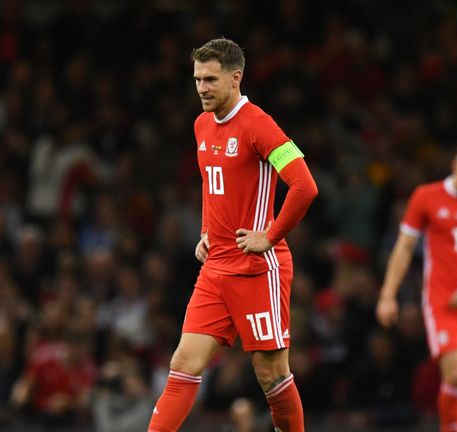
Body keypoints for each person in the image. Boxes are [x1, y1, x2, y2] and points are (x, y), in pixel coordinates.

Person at [148, 37, 318, 432]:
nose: (202, 88)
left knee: (270, 373)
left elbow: (304, 186)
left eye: (210, 79)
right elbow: (213, 185)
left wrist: (270, 236)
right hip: (216, 267)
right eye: (197, 79)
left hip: (258, 268)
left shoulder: (259, 125)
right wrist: (207, 231)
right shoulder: (202, 125)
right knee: (183, 362)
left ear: (235, 77)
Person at [376, 140, 457, 432]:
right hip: (442, 300)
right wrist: (388, 295)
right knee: (456, 375)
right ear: (456, 166)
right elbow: (403, 248)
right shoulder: (426, 197)